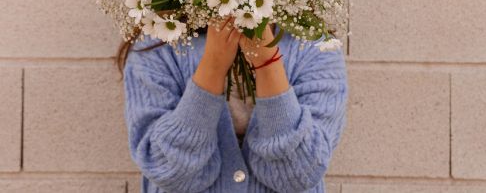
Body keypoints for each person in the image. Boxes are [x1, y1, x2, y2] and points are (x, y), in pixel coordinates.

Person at [120, 15, 348, 192]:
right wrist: (213, 65)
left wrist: (267, 61)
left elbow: (299, 173)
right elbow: (165, 168)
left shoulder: (314, 45)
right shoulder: (158, 44)